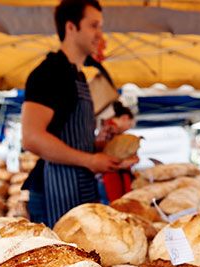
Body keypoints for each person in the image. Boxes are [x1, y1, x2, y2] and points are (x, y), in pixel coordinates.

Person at [21, 0, 134, 226]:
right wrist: (90, 160)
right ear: (71, 27)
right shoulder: (49, 73)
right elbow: (32, 137)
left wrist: (103, 148)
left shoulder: (78, 76)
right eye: (93, 26)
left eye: (100, 26)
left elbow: (71, 140)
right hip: (55, 190)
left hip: (80, 188)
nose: (100, 34)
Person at [95, 101, 137, 203]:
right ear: (125, 118)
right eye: (130, 124)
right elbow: (107, 157)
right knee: (115, 206)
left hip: (108, 178)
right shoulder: (111, 129)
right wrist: (126, 163)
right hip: (110, 179)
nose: (129, 128)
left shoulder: (107, 128)